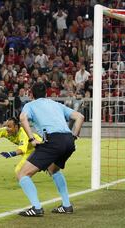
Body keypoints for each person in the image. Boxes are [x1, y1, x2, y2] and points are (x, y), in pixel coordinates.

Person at [18, 82, 84, 216]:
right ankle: (66, 206)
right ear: (46, 94)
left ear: (31, 94)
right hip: (68, 141)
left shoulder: (30, 105)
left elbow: (22, 118)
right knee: (53, 169)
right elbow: (80, 117)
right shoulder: (56, 104)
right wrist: (74, 136)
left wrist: (31, 139)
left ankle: (36, 208)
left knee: (23, 174)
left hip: (53, 141)